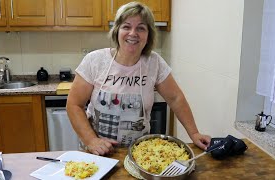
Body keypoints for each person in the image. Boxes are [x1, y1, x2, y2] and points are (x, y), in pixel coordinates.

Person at [66, 1, 211, 156]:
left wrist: (194, 133)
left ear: (148, 35)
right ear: (117, 31)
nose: (133, 33)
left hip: (139, 153)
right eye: (126, 26)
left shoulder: (154, 63)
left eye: (141, 28)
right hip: (97, 152)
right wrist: (91, 141)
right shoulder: (95, 60)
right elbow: (74, 104)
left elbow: (175, 98)